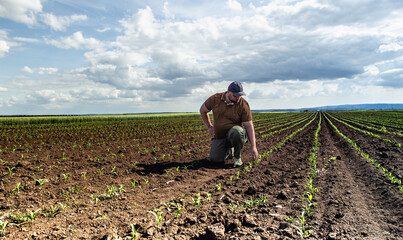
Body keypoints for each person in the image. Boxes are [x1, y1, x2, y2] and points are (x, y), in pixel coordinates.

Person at [200, 81, 259, 167]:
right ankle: (228, 150)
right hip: (220, 135)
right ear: (228, 92)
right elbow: (203, 110)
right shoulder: (215, 99)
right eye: (235, 95)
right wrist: (209, 127)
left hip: (235, 134)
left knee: (237, 132)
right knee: (215, 160)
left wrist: (253, 147)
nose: (237, 98)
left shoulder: (243, 105)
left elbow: (249, 126)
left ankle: (237, 157)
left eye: (239, 95)